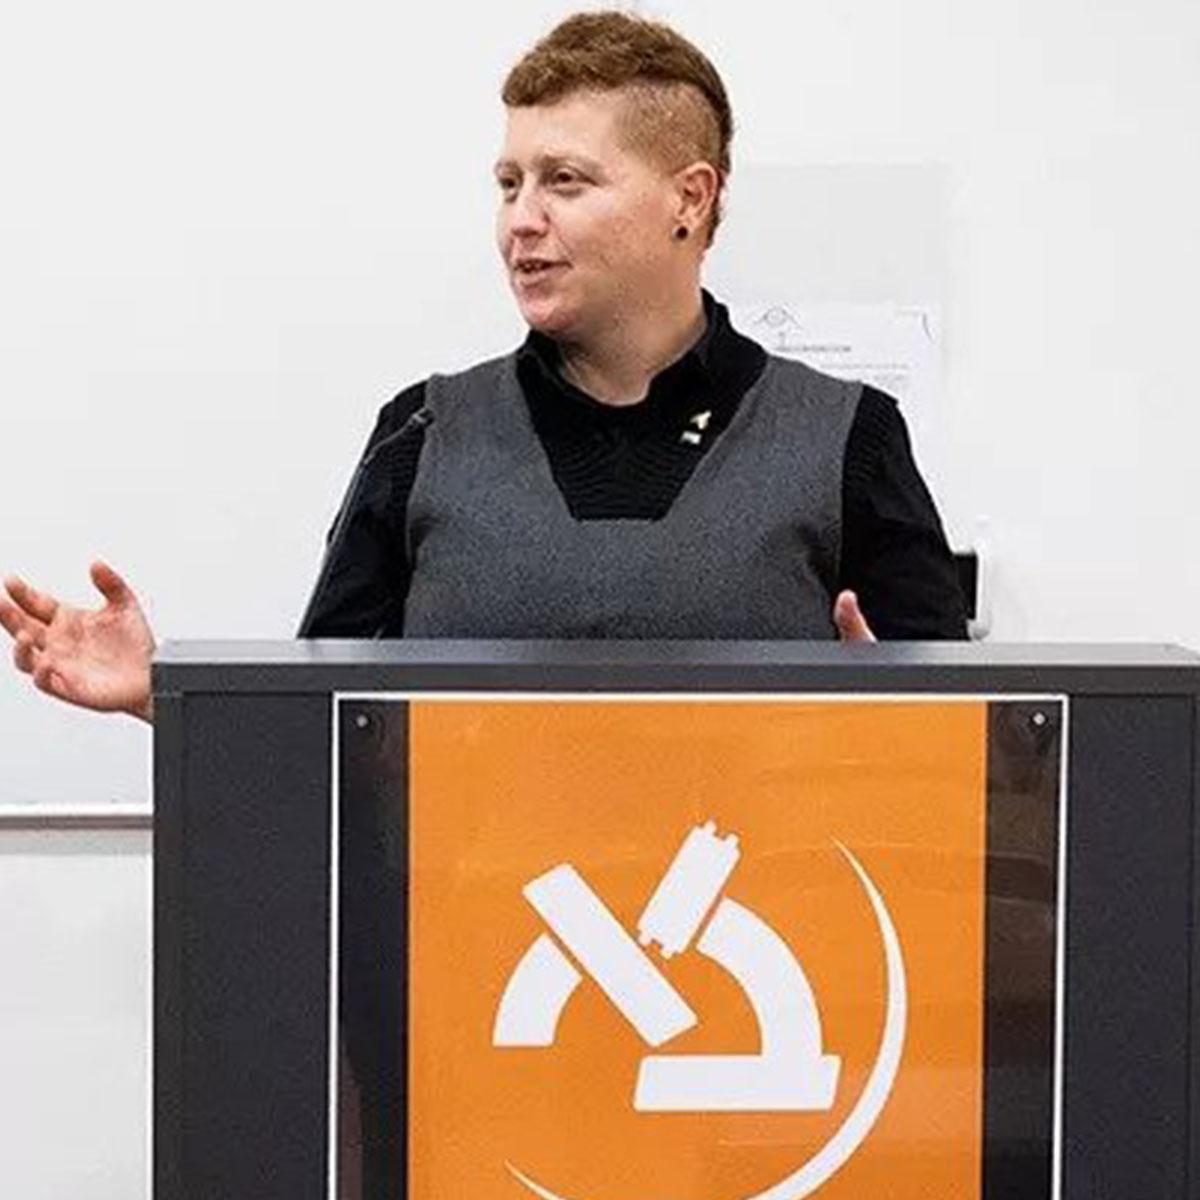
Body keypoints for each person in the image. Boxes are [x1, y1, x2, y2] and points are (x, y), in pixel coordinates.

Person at [0, 11, 965, 728]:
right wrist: (160, 695)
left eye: (564, 181)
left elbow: (987, 769)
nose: (521, 221)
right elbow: (319, 739)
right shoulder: (422, 436)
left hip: (760, 938)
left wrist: (910, 728)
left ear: (690, 198)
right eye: (509, 184)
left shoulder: (845, 440)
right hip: (464, 943)